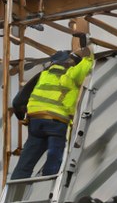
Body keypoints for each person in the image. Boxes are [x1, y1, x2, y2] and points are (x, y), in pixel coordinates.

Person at [11, 46, 93, 179]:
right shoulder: (70, 73)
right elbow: (86, 65)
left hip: (35, 122)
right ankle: (48, 181)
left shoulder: (43, 75)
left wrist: (23, 118)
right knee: (55, 154)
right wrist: (89, 51)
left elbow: (17, 102)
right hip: (56, 121)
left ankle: (14, 190)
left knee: (26, 162)